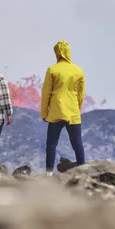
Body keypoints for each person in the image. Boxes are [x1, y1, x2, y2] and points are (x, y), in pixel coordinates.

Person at [40, 40, 86, 176]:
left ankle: (49, 173)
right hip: (73, 113)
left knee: (52, 144)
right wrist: (77, 109)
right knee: (78, 144)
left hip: (56, 112)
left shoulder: (52, 69)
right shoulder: (78, 71)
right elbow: (81, 94)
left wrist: (44, 112)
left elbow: (46, 93)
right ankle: (83, 172)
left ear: (57, 53)